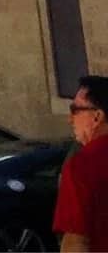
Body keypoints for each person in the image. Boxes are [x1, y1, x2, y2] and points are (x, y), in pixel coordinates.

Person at [55, 76, 108, 252]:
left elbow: (76, 240)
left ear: (97, 117)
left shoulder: (83, 165)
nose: (70, 120)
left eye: (75, 110)